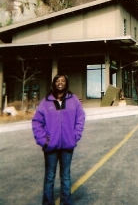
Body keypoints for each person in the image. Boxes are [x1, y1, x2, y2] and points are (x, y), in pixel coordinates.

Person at [32, 74, 85, 205]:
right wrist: (44, 140)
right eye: (57, 81)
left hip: (68, 145)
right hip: (51, 146)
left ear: (66, 83)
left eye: (63, 81)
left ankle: (66, 202)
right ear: (54, 83)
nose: (60, 83)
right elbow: (37, 122)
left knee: (65, 177)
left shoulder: (74, 100)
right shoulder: (46, 102)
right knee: (50, 177)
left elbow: (80, 118)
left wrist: (75, 136)